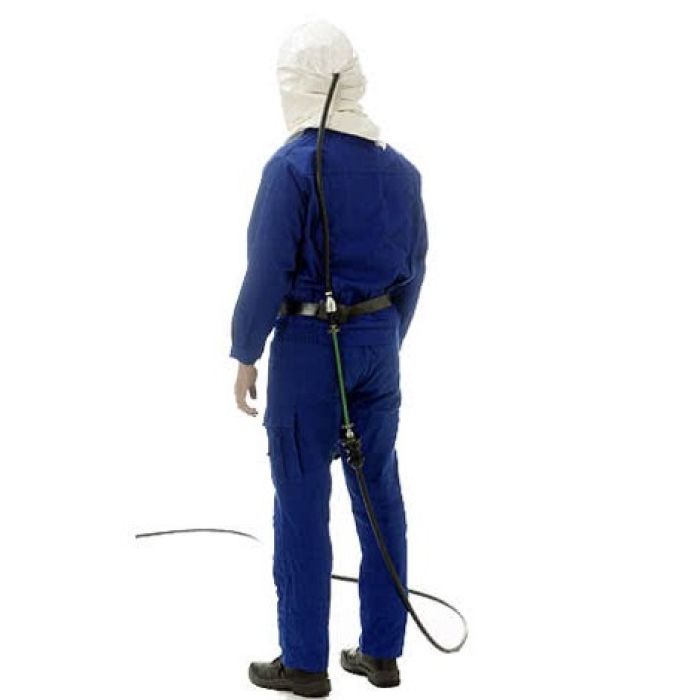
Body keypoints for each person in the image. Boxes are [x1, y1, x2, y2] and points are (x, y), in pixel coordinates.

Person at [230, 20, 428, 697]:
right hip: (378, 345)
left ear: (300, 85)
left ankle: (304, 662)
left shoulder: (291, 168)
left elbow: (267, 271)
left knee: (301, 500)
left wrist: (245, 351)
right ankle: (382, 654)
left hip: (311, 349)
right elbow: (414, 270)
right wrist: (385, 338)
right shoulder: (401, 172)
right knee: (380, 498)